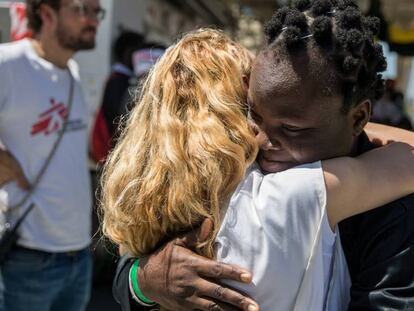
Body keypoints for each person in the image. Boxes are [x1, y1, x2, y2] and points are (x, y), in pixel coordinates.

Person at [112, 1, 414, 310]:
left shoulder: (393, 208)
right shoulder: (252, 176)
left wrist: (141, 280)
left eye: (292, 128)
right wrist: (144, 279)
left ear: (357, 118)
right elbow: (128, 272)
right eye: (252, 114)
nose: (261, 138)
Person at [0, 0, 104, 310]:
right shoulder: (8, 63)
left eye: (96, 12)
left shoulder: (71, 70)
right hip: (27, 258)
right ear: (46, 14)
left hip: (79, 255)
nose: (92, 20)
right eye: (81, 10)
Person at [91, 31, 145, 162]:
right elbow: (116, 119)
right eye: (138, 52)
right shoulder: (120, 81)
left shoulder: (118, 79)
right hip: (115, 156)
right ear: (128, 52)